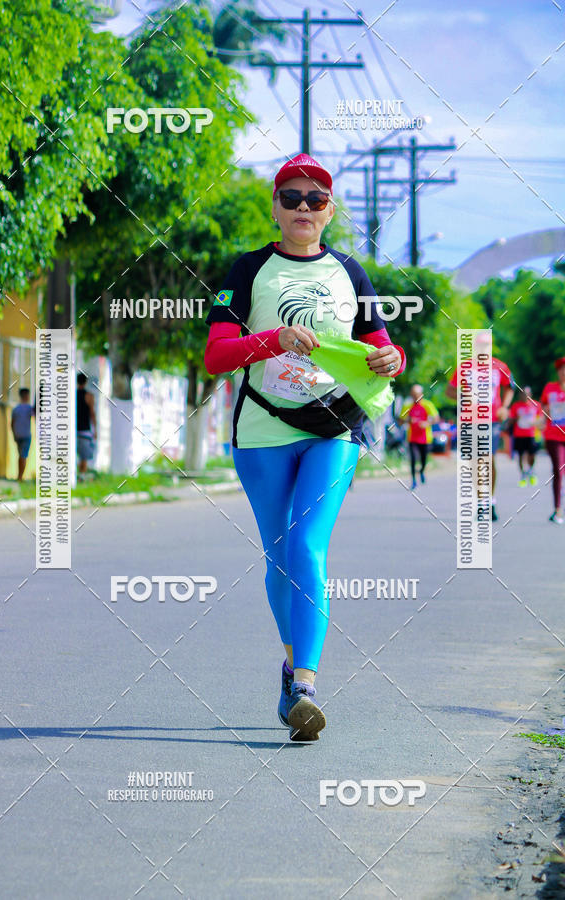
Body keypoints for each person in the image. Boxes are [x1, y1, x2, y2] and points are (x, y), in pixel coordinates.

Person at [204, 153, 406, 742]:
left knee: (307, 543)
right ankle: (292, 663)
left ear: (329, 211)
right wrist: (272, 339)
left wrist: (393, 358)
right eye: (291, 197)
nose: (302, 208)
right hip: (263, 430)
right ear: (275, 206)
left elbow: (382, 351)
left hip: (335, 426)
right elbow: (217, 355)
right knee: (278, 556)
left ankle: (307, 687)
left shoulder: (351, 273)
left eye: (315, 200)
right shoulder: (244, 271)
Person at [446, 335, 514, 521]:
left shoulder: (500, 366)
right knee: (475, 462)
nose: (484, 348)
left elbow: (510, 387)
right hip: (470, 420)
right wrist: (463, 396)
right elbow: (449, 390)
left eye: (487, 345)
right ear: (476, 347)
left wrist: (504, 407)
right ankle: (482, 501)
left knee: (487, 457)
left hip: (491, 419)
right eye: (481, 345)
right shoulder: (465, 367)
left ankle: (489, 499)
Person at [539, 356, 565, 524]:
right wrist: (546, 409)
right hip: (554, 434)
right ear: (558, 371)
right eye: (562, 369)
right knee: (558, 469)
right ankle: (557, 509)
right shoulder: (550, 388)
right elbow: (543, 408)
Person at [399, 385, 439, 489]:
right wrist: (408, 420)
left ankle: (421, 470)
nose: (415, 397)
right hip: (412, 437)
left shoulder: (427, 405)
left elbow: (436, 418)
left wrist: (427, 423)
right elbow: (400, 420)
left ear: (421, 395)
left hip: (425, 438)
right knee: (412, 459)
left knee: (423, 459)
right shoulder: (407, 406)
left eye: (416, 395)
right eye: (413, 395)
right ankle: (413, 481)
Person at [509, 386, 542, 487]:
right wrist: (516, 419)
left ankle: (531, 470)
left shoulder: (536, 405)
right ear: (520, 395)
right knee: (520, 455)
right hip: (519, 434)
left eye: (527, 394)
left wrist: (536, 423)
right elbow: (511, 420)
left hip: (532, 434)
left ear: (530, 395)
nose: (525, 396)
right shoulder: (515, 406)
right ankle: (523, 474)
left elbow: (541, 419)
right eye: (523, 394)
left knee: (532, 455)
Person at [11, 388, 35, 481]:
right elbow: (35, 415)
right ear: (27, 396)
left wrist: (14, 434)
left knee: (20, 455)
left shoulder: (16, 409)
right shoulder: (29, 408)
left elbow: (12, 423)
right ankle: (20, 477)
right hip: (26, 435)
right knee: (24, 456)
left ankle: (19, 476)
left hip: (17, 434)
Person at [76, 372, 96, 477]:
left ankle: (76, 474)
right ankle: (82, 476)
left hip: (73, 429)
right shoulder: (89, 396)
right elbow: (92, 414)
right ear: (86, 382)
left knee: (75, 454)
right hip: (85, 430)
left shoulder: (72, 395)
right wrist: (95, 429)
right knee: (84, 456)